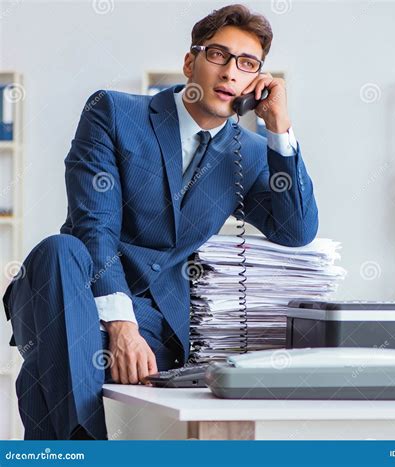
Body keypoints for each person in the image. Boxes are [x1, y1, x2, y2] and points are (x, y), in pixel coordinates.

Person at [2, 3, 318, 440]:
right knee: (59, 250)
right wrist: (120, 324)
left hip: (156, 324)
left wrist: (279, 130)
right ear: (190, 61)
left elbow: (297, 230)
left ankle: (61, 449)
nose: (229, 73)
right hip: (73, 289)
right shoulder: (113, 112)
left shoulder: (249, 151)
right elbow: (94, 223)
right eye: (218, 55)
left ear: (256, 82)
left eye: (247, 65)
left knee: (54, 365)